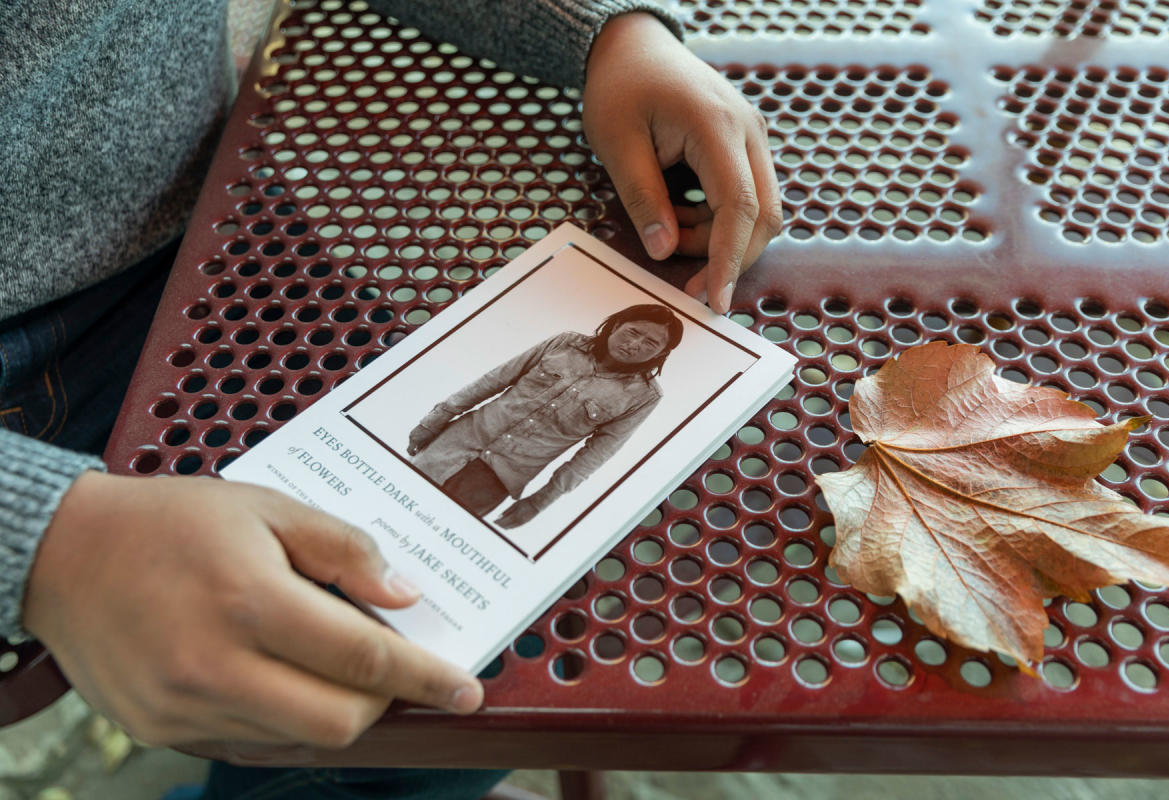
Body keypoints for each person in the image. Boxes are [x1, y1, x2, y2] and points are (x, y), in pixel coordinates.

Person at [0, 1, 781, 797]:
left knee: (475, 640)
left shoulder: (634, 395)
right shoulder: (559, 346)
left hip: (211, 223)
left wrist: (603, 32)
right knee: (373, 689)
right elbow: (487, 384)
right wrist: (41, 537)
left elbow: (599, 456)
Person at [407, 304, 684, 528]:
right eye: (633, 332)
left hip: (496, 480)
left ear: (662, 353)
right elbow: (493, 380)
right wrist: (435, 420)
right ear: (615, 325)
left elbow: (594, 456)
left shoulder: (643, 397)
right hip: (453, 443)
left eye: (650, 343)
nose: (635, 345)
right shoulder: (565, 343)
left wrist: (540, 501)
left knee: (438, 532)